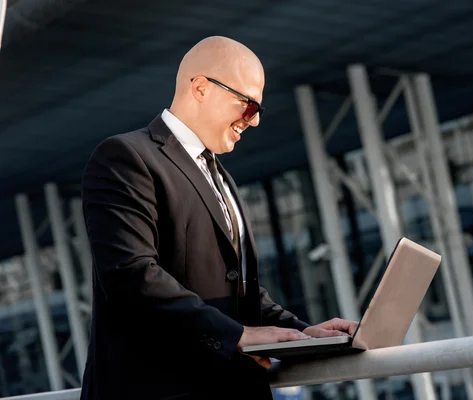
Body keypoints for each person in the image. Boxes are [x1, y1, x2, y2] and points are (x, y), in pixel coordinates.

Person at [79, 36, 357, 400]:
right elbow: (130, 275)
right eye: (248, 105)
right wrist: (237, 335)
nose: (254, 121)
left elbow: (238, 292)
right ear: (201, 88)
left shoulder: (218, 174)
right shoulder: (126, 157)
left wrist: (303, 335)